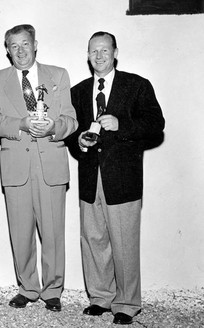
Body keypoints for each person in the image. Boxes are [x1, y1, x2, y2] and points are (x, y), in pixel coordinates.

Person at [65, 31, 165, 325]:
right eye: (93, 51)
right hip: (89, 177)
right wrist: (81, 142)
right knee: (93, 240)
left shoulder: (136, 86)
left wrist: (122, 124)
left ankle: (127, 303)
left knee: (124, 243)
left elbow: (156, 124)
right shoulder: (79, 91)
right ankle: (100, 297)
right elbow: (71, 134)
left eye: (104, 50)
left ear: (115, 52)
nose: (99, 56)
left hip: (123, 180)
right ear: (87, 55)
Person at [0, 24, 77, 312]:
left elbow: (71, 120)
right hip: (16, 166)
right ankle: (27, 287)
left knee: (52, 233)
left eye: (25, 44)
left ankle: (52, 291)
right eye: (14, 46)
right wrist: (21, 125)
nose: (20, 50)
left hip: (50, 164)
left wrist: (53, 127)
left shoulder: (58, 75)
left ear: (36, 45)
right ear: (7, 50)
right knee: (20, 232)